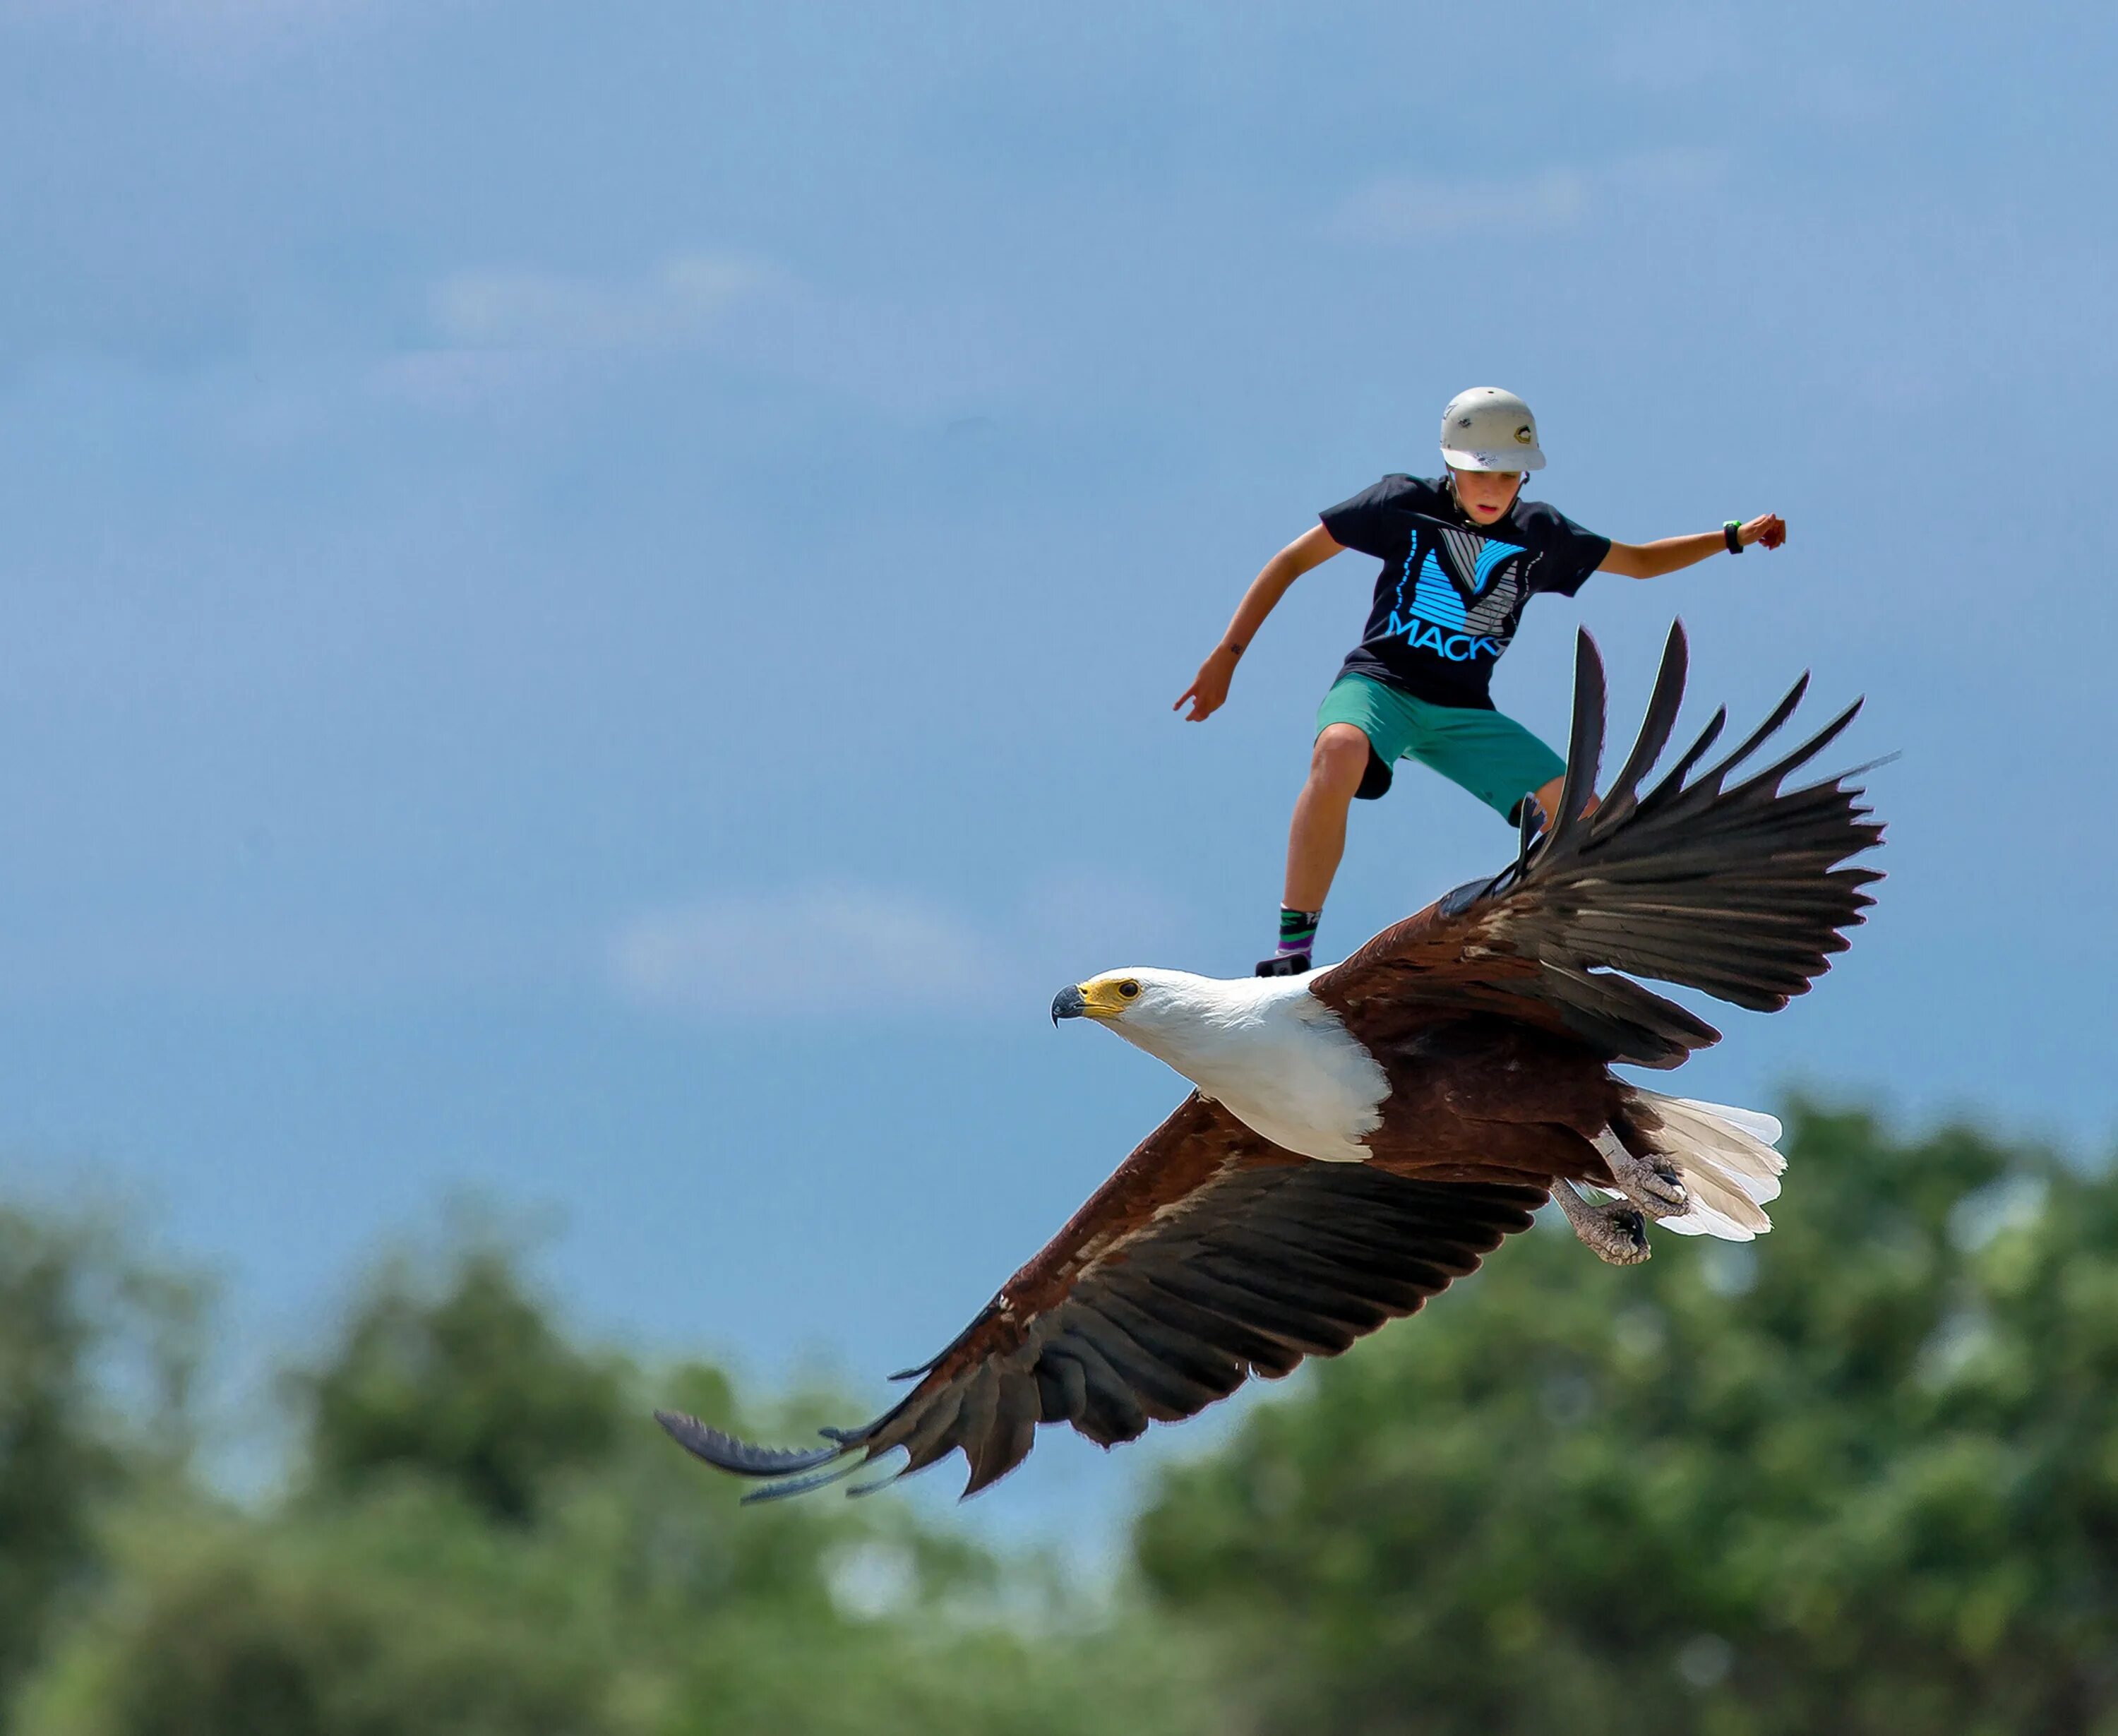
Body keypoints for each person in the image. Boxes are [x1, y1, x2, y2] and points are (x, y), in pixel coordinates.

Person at [1175, 386, 1786, 976]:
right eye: (1480, 473)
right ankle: (1293, 947)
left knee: (1590, 813)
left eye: (1509, 475)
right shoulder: (1400, 503)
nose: (1494, 489)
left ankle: (1556, 939)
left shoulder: (1542, 534)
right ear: (1450, 464)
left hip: (1464, 710)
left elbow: (1642, 561)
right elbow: (1291, 561)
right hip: (1380, 685)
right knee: (1339, 750)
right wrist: (1226, 657)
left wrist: (1731, 536)